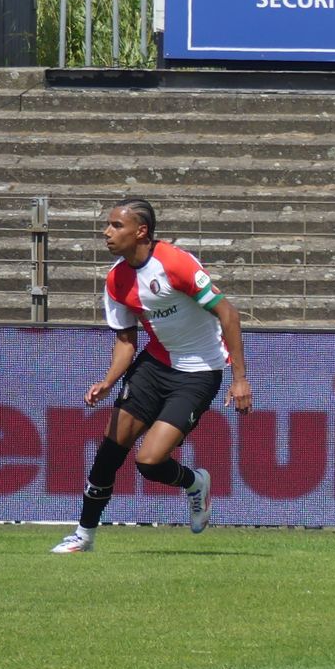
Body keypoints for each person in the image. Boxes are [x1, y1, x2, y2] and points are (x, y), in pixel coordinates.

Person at [52, 198, 252, 554]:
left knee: (149, 462)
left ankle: (194, 483)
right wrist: (109, 380)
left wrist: (239, 379)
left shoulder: (175, 263)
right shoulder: (116, 279)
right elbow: (126, 341)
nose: (106, 232)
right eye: (108, 225)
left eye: (116, 225)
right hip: (154, 366)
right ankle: (83, 536)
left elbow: (229, 315)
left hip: (199, 372)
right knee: (110, 450)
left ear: (140, 231)